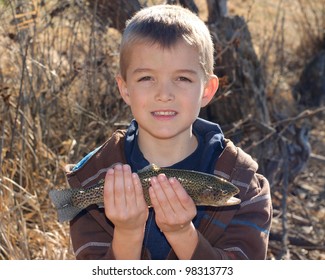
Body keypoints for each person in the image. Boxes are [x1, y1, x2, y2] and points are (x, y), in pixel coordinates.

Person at [65, 4, 272, 260]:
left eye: (182, 78)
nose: (164, 95)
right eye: (146, 78)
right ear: (125, 88)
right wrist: (127, 232)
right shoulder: (91, 178)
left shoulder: (243, 183)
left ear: (207, 90)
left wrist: (183, 233)